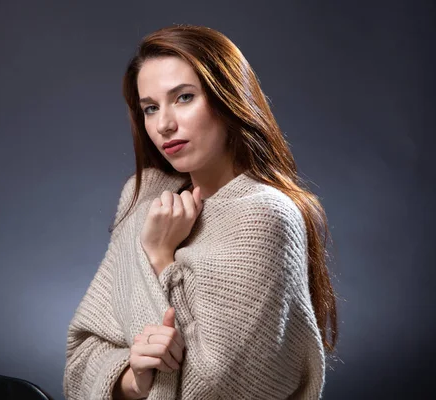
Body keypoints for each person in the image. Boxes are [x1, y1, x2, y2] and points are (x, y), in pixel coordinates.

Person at [63, 24, 338, 400]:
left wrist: (160, 256)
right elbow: (80, 357)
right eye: (150, 108)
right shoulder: (143, 198)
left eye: (184, 97)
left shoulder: (266, 216)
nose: (164, 125)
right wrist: (134, 378)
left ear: (228, 99)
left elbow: (216, 386)